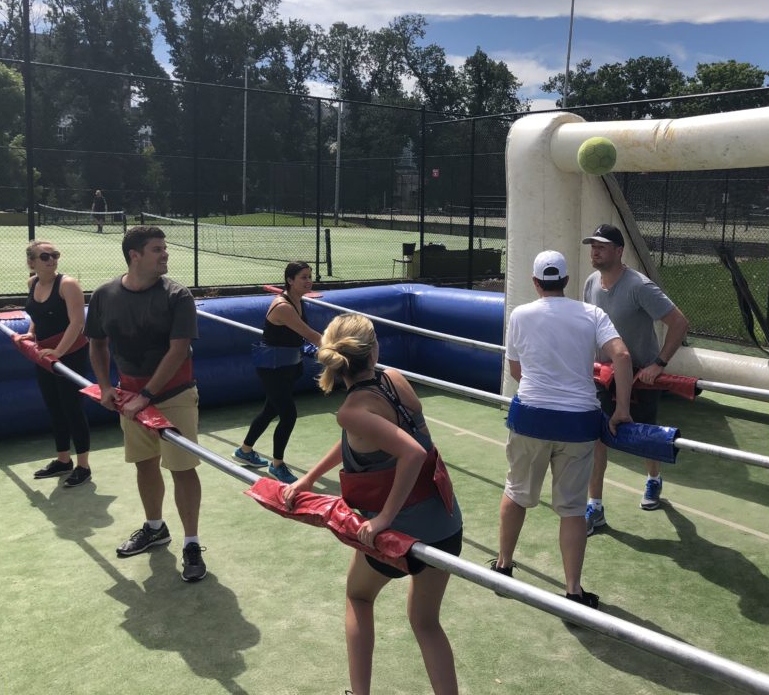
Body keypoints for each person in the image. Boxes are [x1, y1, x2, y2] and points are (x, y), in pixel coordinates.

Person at [282, 313, 462, 695]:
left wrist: (383, 518)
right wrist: (310, 478)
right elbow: (365, 437)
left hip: (399, 537)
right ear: (373, 350)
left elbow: (410, 453)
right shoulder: (393, 379)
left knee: (358, 596)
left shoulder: (352, 411)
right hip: (446, 525)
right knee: (426, 622)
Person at [491, 250, 632, 608]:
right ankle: (573, 590)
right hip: (578, 424)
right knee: (571, 508)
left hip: (531, 417)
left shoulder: (520, 315)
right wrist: (622, 410)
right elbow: (623, 356)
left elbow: (516, 372)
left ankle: (503, 568)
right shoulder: (592, 314)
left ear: (536, 282)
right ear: (567, 281)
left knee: (517, 490)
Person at [85, 225, 208, 582]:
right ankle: (155, 528)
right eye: (157, 249)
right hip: (129, 396)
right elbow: (97, 343)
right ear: (134, 255)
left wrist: (147, 396)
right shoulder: (106, 295)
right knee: (144, 464)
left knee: (183, 469)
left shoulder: (177, 295)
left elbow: (179, 349)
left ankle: (192, 543)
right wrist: (107, 387)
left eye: (164, 248)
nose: (165, 253)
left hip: (174, 396)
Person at [581, 224, 690, 531]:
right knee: (597, 439)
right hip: (603, 378)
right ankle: (595, 508)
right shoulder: (590, 283)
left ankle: (654, 479)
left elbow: (679, 323)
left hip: (641, 379)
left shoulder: (639, 286)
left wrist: (659, 363)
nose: (595, 250)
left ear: (619, 251)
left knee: (644, 439)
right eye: (593, 246)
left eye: (602, 246)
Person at [233, 261, 322, 483]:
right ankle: (277, 465)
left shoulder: (299, 301)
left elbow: (297, 338)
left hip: (289, 366)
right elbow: (310, 334)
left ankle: (244, 451)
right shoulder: (283, 306)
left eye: (310, 276)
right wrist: (341, 347)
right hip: (272, 369)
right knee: (288, 414)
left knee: (270, 411)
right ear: (290, 281)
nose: (309, 280)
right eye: (303, 277)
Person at [19, 240, 93, 487]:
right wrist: (31, 333)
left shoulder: (68, 285)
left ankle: (83, 466)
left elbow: (77, 323)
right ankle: (63, 460)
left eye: (54, 255)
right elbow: (37, 315)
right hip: (46, 354)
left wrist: (58, 352)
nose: (51, 260)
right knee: (54, 406)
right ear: (32, 262)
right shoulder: (33, 283)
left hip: (69, 353)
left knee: (72, 407)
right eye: (45, 256)